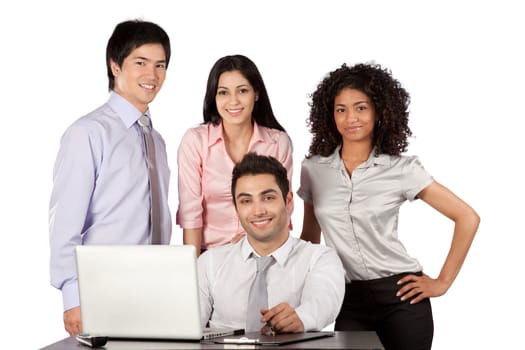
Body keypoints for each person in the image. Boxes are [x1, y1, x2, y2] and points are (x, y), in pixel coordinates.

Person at [298, 63, 480, 349]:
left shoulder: (401, 169)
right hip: (348, 298)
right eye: (341, 109)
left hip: (402, 298)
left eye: (361, 107)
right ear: (329, 114)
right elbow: (310, 238)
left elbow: (467, 217)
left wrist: (442, 282)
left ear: (379, 111)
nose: (350, 118)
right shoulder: (313, 170)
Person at [49, 19, 173, 336]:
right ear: (115, 65)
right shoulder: (88, 133)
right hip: (101, 293)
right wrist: (72, 296)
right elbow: (65, 223)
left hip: (155, 292)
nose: (152, 75)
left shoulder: (156, 141)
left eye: (160, 65)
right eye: (140, 63)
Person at [198, 153, 345, 333]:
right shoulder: (210, 262)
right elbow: (186, 324)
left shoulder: (319, 258)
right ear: (236, 209)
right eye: (246, 201)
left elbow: (323, 301)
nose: (258, 211)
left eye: (268, 198)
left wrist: (301, 318)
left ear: (288, 201)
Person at [177, 54, 293, 256]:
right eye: (223, 92)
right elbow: (191, 213)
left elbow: (283, 208)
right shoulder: (196, 141)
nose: (233, 101)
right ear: (214, 97)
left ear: (256, 94)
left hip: (262, 252)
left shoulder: (278, 142)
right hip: (210, 254)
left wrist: (255, 245)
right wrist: (194, 270)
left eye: (242, 90)